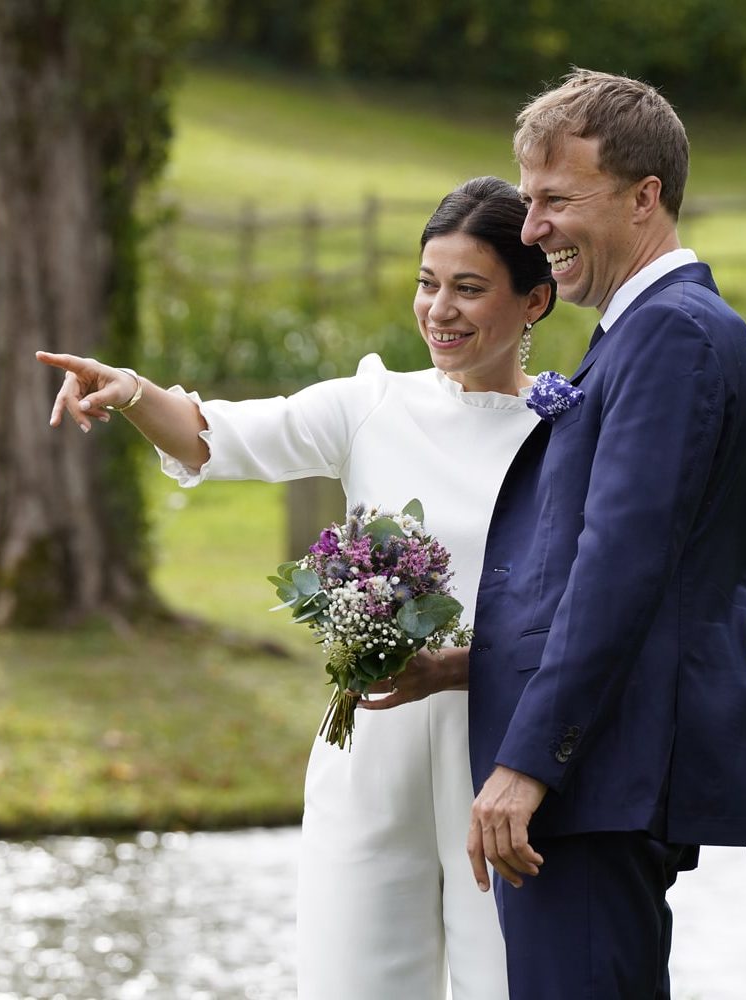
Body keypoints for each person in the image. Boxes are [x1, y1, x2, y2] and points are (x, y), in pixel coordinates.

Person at [37, 176, 556, 1000]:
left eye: (468, 288)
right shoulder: (373, 403)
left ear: (534, 301)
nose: (440, 311)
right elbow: (218, 436)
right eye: (427, 284)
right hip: (370, 750)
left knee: (506, 982)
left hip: (498, 757)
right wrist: (130, 389)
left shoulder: (568, 431)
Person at [464, 69, 746, 999]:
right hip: (593, 778)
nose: (531, 230)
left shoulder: (673, 335)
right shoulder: (642, 334)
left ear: (645, 198)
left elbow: (622, 566)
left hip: (592, 780)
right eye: (529, 201)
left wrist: (527, 763)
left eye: (557, 199)